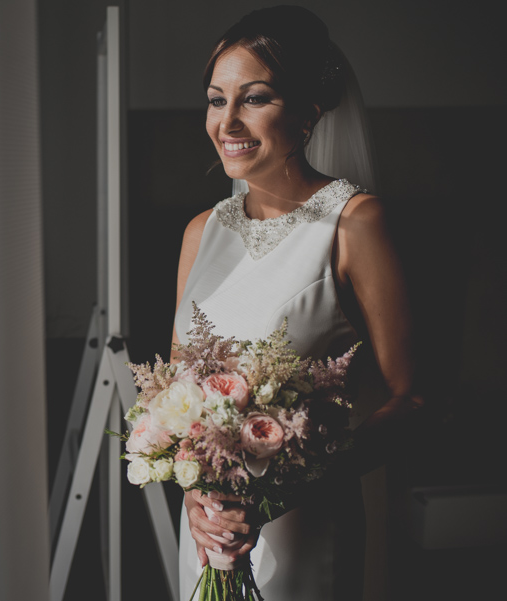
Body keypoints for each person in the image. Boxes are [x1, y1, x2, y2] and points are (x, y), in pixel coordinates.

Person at [170, 6, 424, 600]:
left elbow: (411, 399)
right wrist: (194, 493)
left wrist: (281, 490)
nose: (227, 121)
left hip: (306, 527)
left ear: (309, 112)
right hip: (210, 535)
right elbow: (176, 397)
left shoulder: (355, 223)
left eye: (254, 98)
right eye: (216, 100)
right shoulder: (201, 232)